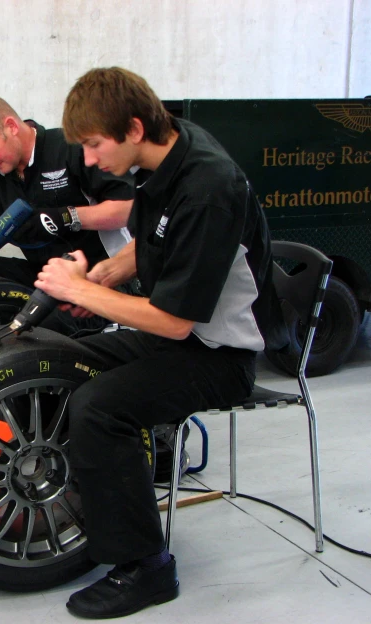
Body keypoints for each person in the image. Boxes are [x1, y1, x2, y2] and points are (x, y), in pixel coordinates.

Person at [33, 67, 288, 619]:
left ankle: (146, 567)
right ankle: (93, 505)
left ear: (132, 127)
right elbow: (149, 243)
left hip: (219, 353)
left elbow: (174, 322)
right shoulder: (161, 156)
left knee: (99, 408)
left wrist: (83, 289)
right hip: (180, 335)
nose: (93, 161)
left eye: (96, 146)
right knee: (64, 357)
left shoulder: (209, 187)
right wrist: (98, 280)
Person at [0, 95, 135, 291]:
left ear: (11, 126)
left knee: (41, 327)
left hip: (96, 275)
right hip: (43, 274)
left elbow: (130, 208)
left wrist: (64, 217)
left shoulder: (70, 149)